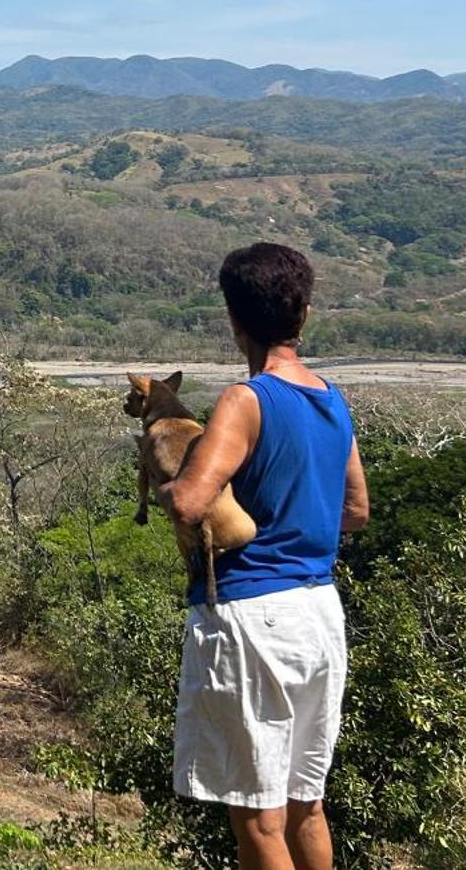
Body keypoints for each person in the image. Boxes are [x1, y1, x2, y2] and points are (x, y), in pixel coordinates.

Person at [157, 242, 371, 870]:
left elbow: (191, 503)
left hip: (253, 617)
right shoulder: (331, 400)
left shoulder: (244, 400)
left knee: (256, 813)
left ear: (234, 320)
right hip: (319, 613)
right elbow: (355, 511)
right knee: (307, 802)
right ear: (303, 314)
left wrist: (169, 478)